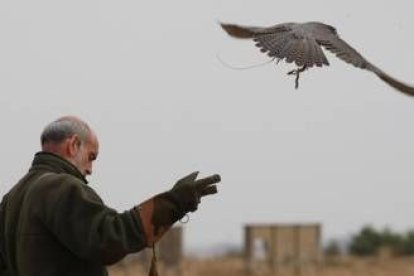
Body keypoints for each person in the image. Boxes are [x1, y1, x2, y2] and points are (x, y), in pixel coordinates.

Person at [0, 116, 221, 276]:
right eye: (91, 156)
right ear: (73, 145)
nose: (90, 169)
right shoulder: (62, 187)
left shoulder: (11, 199)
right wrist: (174, 203)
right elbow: (109, 239)